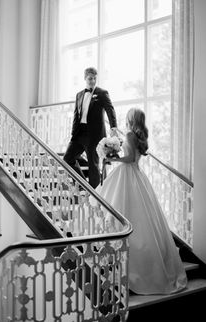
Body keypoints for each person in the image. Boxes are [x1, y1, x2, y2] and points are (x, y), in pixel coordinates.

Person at [95, 108, 187, 295]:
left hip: (127, 174)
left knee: (118, 208)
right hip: (137, 175)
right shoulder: (140, 136)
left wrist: (113, 158)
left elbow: (128, 158)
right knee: (141, 216)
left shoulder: (129, 134)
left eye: (128, 116)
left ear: (131, 119)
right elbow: (134, 157)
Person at [63, 67, 117, 188]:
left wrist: (113, 128)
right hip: (79, 133)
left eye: (94, 78)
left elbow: (110, 109)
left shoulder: (102, 93)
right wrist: (73, 134)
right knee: (67, 160)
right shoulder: (79, 95)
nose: (92, 81)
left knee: (93, 165)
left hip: (94, 135)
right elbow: (76, 115)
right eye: (90, 78)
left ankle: (95, 197)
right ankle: (84, 186)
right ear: (85, 78)